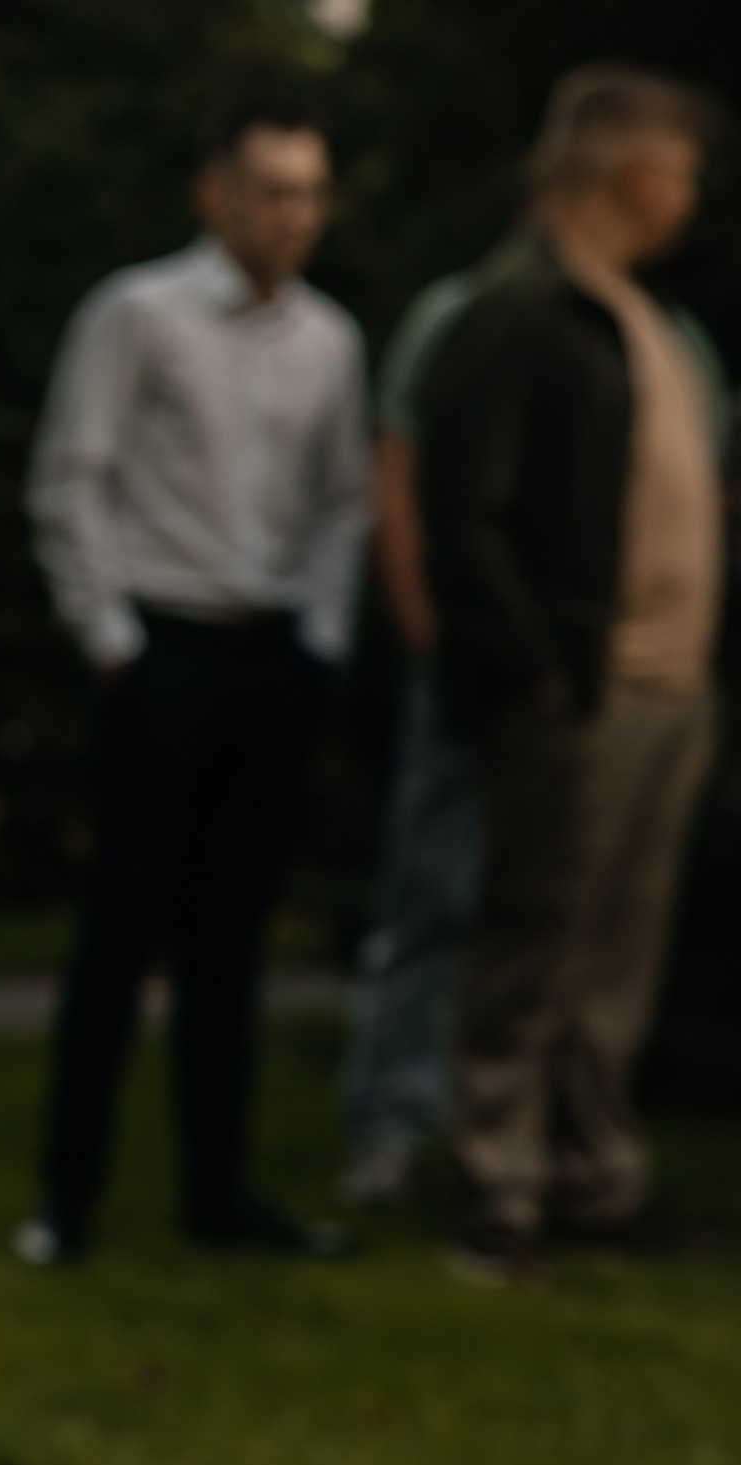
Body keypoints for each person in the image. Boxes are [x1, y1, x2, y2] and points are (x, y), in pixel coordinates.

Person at [16, 96, 369, 1264]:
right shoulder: (139, 312)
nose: (292, 214)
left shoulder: (331, 340)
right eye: (271, 189)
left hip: (271, 662)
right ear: (213, 193)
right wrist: (112, 638)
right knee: (120, 930)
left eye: (309, 191)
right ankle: (67, 1199)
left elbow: (340, 504)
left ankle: (217, 1193)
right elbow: (74, 478)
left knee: (231, 939)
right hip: (157, 653)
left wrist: (316, 637)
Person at [419, 66, 728, 1283]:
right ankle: (493, 1188)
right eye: (687, 172)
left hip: (670, 690)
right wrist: (541, 672)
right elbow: (465, 516)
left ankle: (594, 1179)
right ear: (635, 172)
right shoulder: (517, 310)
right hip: (578, 693)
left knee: (618, 956)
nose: (693, 195)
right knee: (536, 942)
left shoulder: (641, 316)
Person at [335, 269, 479, 1208]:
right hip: (462, 661)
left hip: (599, 679)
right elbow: (393, 472)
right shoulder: (454, 316)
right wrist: (424, 630)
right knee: (431, 895)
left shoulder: (661, 329)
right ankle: (388, 1130)